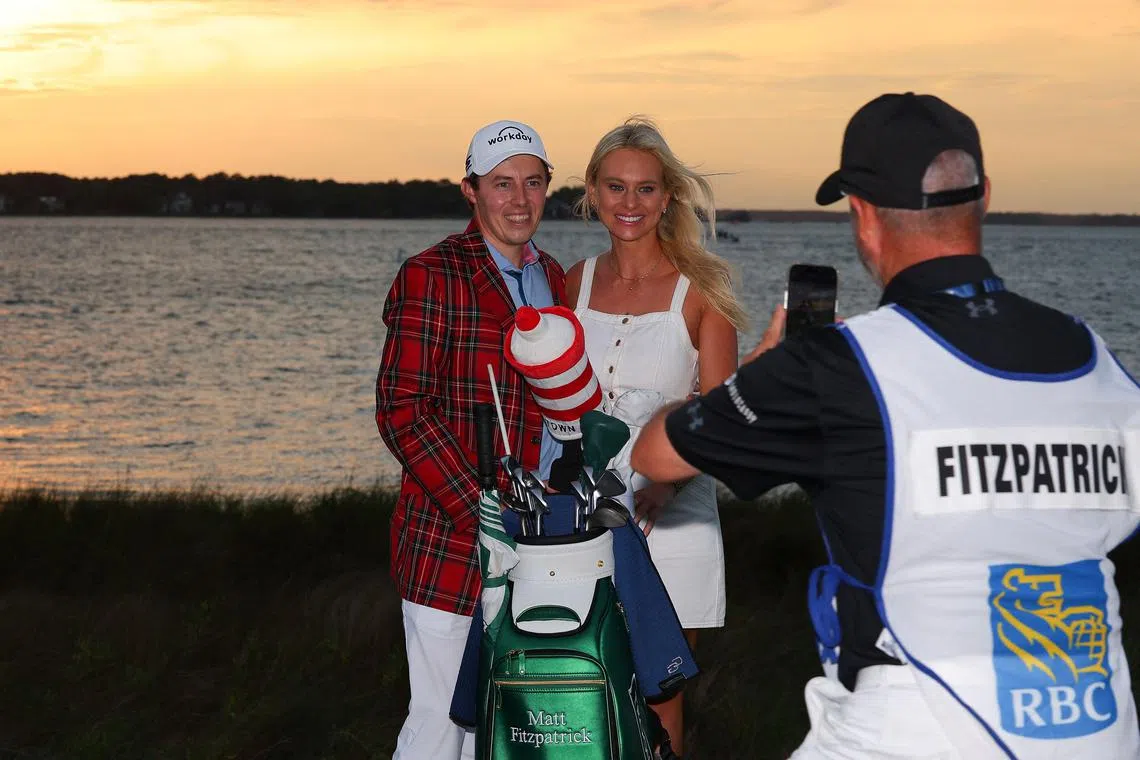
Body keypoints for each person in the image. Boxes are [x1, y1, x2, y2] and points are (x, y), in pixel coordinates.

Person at [630, 92, 1140, 759]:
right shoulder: (1092, 356)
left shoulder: (843, 365)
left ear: (862, 216)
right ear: (982, 195)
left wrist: (757, 372)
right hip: (1095, 725)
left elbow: (657, 452)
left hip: (917, 723)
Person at [375, 119, 569, 760]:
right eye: (502, 183)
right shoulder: (431, 273)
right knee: (440, 724)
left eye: (533, 183)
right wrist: (479, 510)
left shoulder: (556, 279)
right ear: (471, 191)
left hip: (543, 547)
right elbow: (401, 409)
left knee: (510, 728)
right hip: (450, 543)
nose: (520, 200)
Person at [564, 116, 747, 755]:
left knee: (658, 695)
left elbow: (721, 417)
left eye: (645, 189)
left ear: (667, 195)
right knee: (581, 689)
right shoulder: (572, 283)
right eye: (615, 187)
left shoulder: (704, 290)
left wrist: (668, 482)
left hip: (673, 521)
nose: (630, 203)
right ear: (591, 191)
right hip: (584, 518)